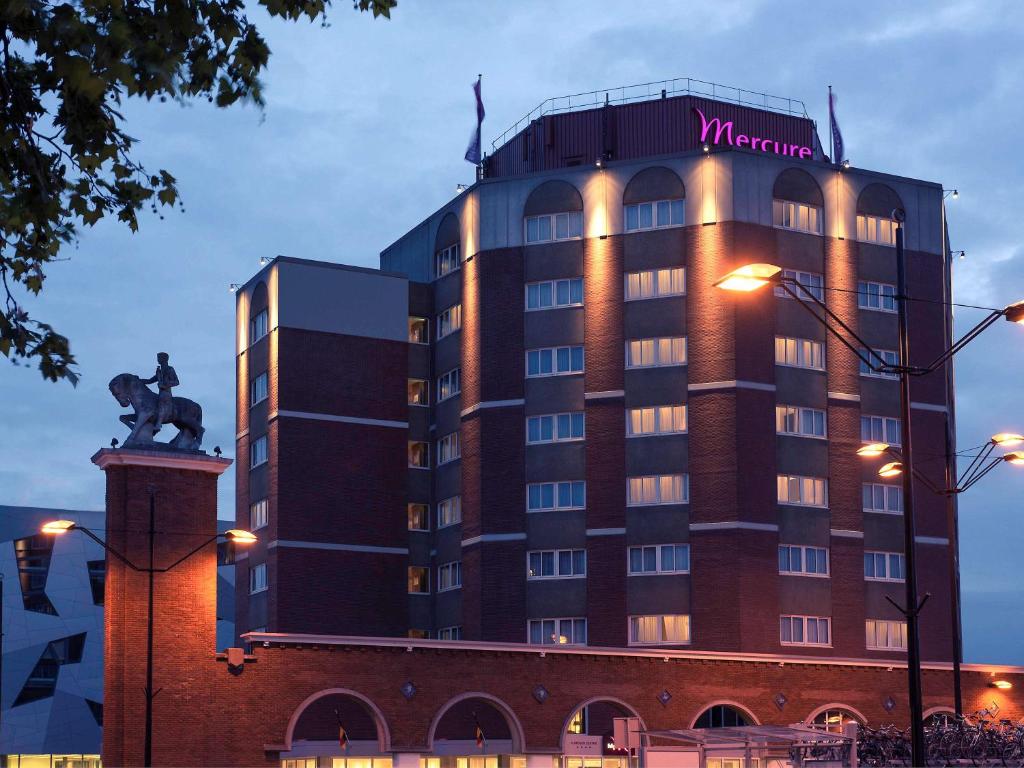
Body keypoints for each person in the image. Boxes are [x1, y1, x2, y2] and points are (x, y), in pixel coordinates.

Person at [143, 352, 179, 434]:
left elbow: (176, 382)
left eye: (159, 358)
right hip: (160, 393)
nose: (158, 360)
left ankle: (158, 424)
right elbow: (150, 380)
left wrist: (164, 385)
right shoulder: (159, 371)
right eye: (158, 358)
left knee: (162, 400)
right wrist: (139, 380)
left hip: (166, 393)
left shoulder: (170, 369)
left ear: (164, 359)